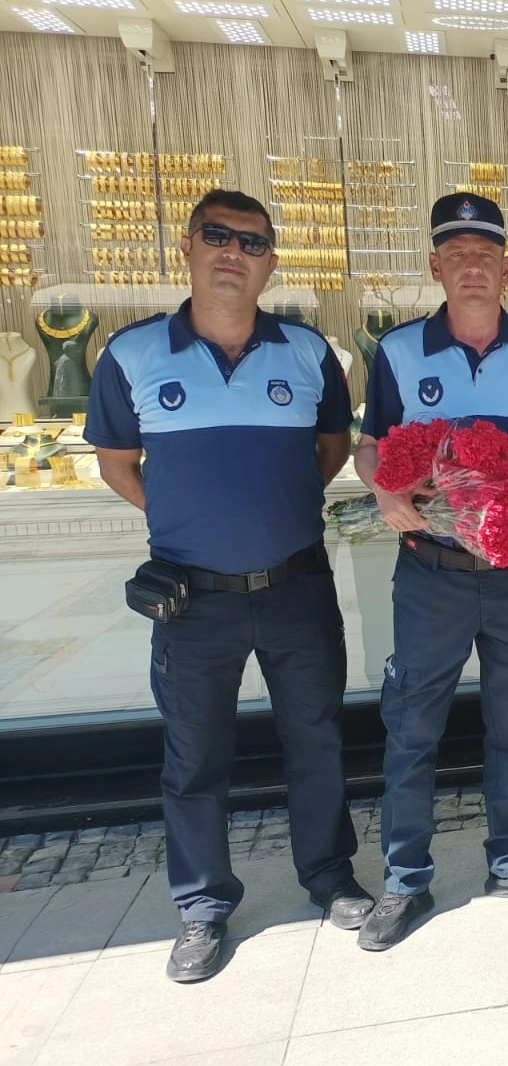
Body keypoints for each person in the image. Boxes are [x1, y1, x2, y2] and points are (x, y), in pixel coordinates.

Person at [86, 189, 371, 983]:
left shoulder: (308, 353)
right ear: (187, 246)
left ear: (270, 263)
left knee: (316, 740)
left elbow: (330, 451)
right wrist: (186, 522)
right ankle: (203, 906)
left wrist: (270, 517)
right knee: (195, 757)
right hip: (193, 598)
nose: (232, 253)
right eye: (217, 236)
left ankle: (330, 876)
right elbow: (117, 465)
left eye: (251, 242)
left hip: (295, 587)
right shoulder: (132, 355)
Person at [353, 192, 508, 950]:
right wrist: (385, 491)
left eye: (485, 255)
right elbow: (369, 445)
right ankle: (405, 879)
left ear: (506, 268)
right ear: (436, 267)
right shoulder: (398, 352)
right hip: (431, 571)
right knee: (411, 725)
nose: (472, 268)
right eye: (457, 255)